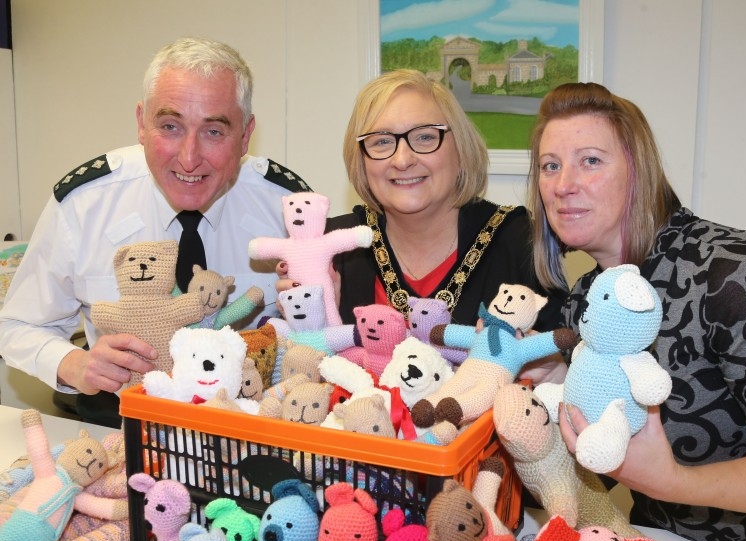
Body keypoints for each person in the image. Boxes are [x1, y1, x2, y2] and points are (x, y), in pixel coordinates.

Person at [528, 81, 746, 541]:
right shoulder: (588, 299)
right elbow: (604, 462)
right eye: (550, 166)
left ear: (639, 172)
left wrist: (671, 482)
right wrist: (551, 389)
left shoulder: (734, 273)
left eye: (590, 160)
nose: (563, 184)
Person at [0, 37, 311, 420]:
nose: (189, 158)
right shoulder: (85, 204)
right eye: (170, 126)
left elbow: (323, 334)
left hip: (251, 424)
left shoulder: (287, 209)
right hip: (120, 423)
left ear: (245, 136)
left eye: (214, 131)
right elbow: (16, 324)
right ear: (141, 124)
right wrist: (72, 364)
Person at [322, 69, 564, 330]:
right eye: (381, 141)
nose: (402, 160)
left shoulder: (520, 239)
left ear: (460, 149)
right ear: (361, 159)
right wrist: (314, 323)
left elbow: (563, 356)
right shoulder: (333, 245)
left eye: (425, 137)